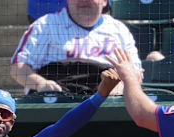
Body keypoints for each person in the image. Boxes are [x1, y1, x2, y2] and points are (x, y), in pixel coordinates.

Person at [10, 0, 139, 95]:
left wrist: (122, 86)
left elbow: (137, 72)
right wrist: (40, 84)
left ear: (104, 1)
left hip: (104, 99)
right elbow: (18, 68)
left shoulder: (119, 30)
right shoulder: (45, 25)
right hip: (58, 99)